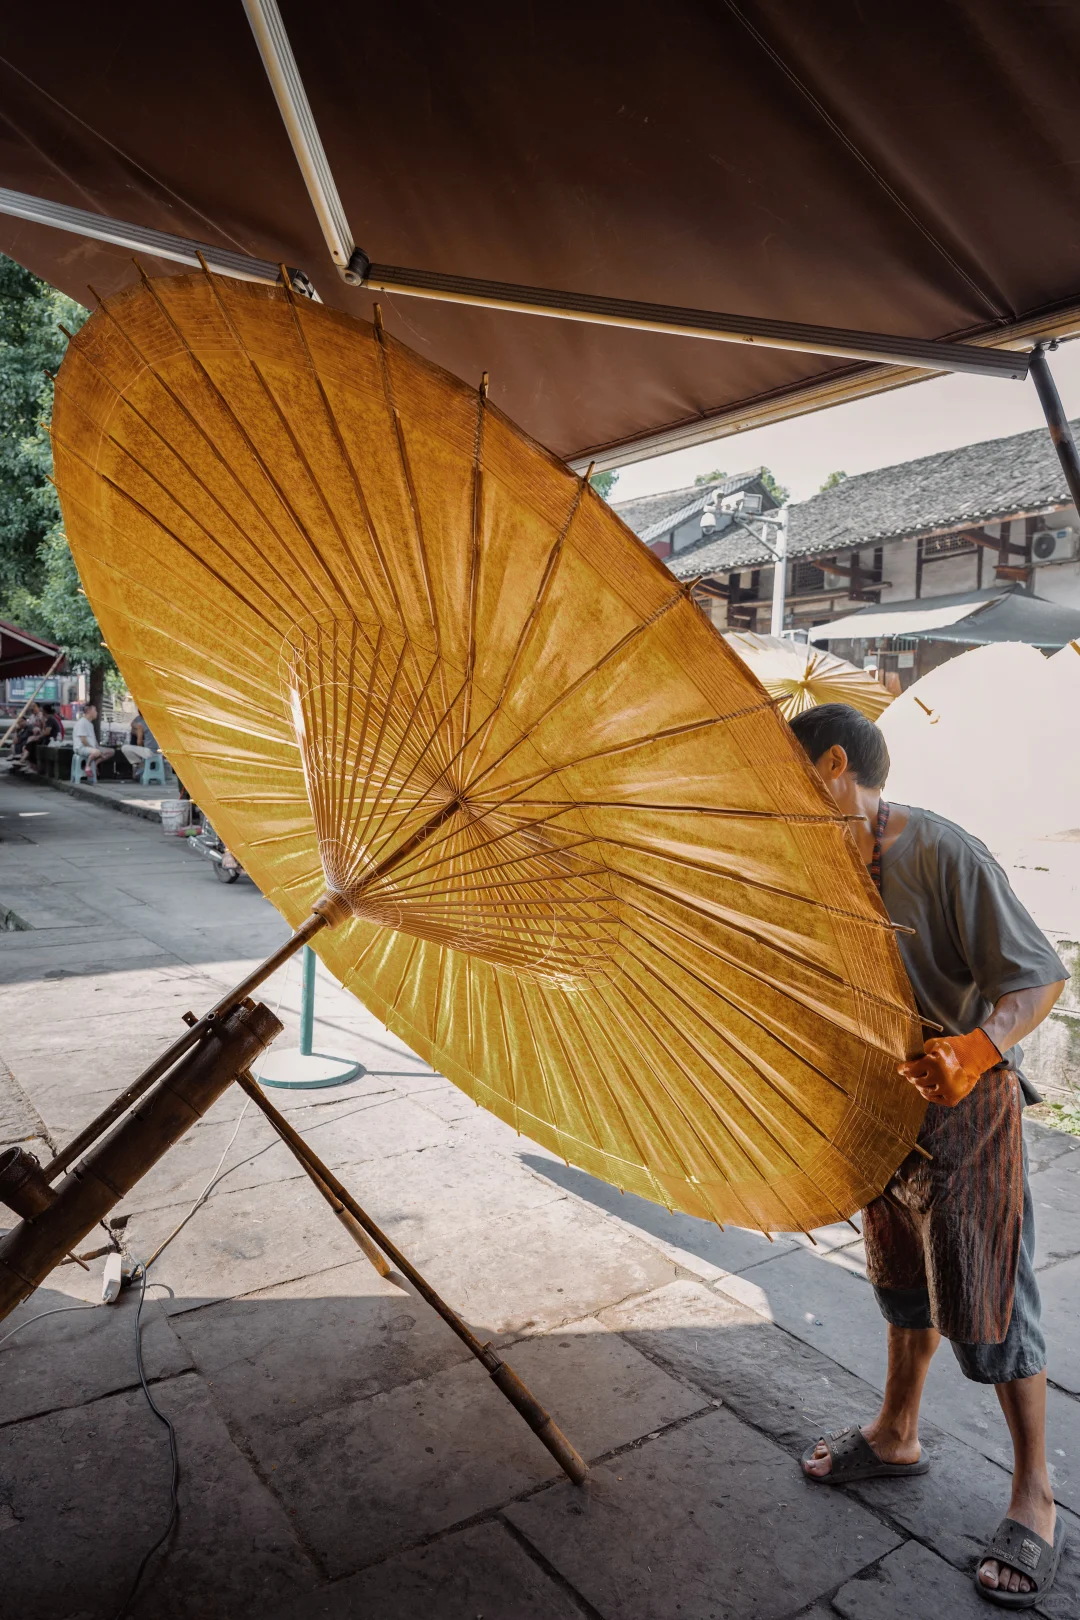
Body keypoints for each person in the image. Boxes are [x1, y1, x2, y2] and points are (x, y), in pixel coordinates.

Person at [789, 703, 1067, 1608]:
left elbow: (1039, 977)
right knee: (900, 1278)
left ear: (836, 766)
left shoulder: (943, 852)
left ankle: (1037, 1494)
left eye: (790, 779)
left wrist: (972, 1050)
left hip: (966, 1106)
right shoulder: (818, 860)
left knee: (986, 1295)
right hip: (876, 1105)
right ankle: (896, 1432)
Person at [71, 703, 114, 779]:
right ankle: (87, 766)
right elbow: (83, 740)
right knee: (96, 752)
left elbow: (93, 739)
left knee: (111, 751)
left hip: (91, 748)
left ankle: (94, 764)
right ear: (89, 711)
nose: (97, 712)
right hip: (82, 747)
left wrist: (97, 747)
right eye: (95, 710)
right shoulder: (82, 723)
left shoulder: (90, 724)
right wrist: (94, 749)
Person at [121, 713, 162, 783]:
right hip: (160, 752)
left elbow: (139, 742)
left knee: (125, 748)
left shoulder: (141, 724)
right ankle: (141, 766)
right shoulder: (158, 722)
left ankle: (139, 765)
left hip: (149, 751)